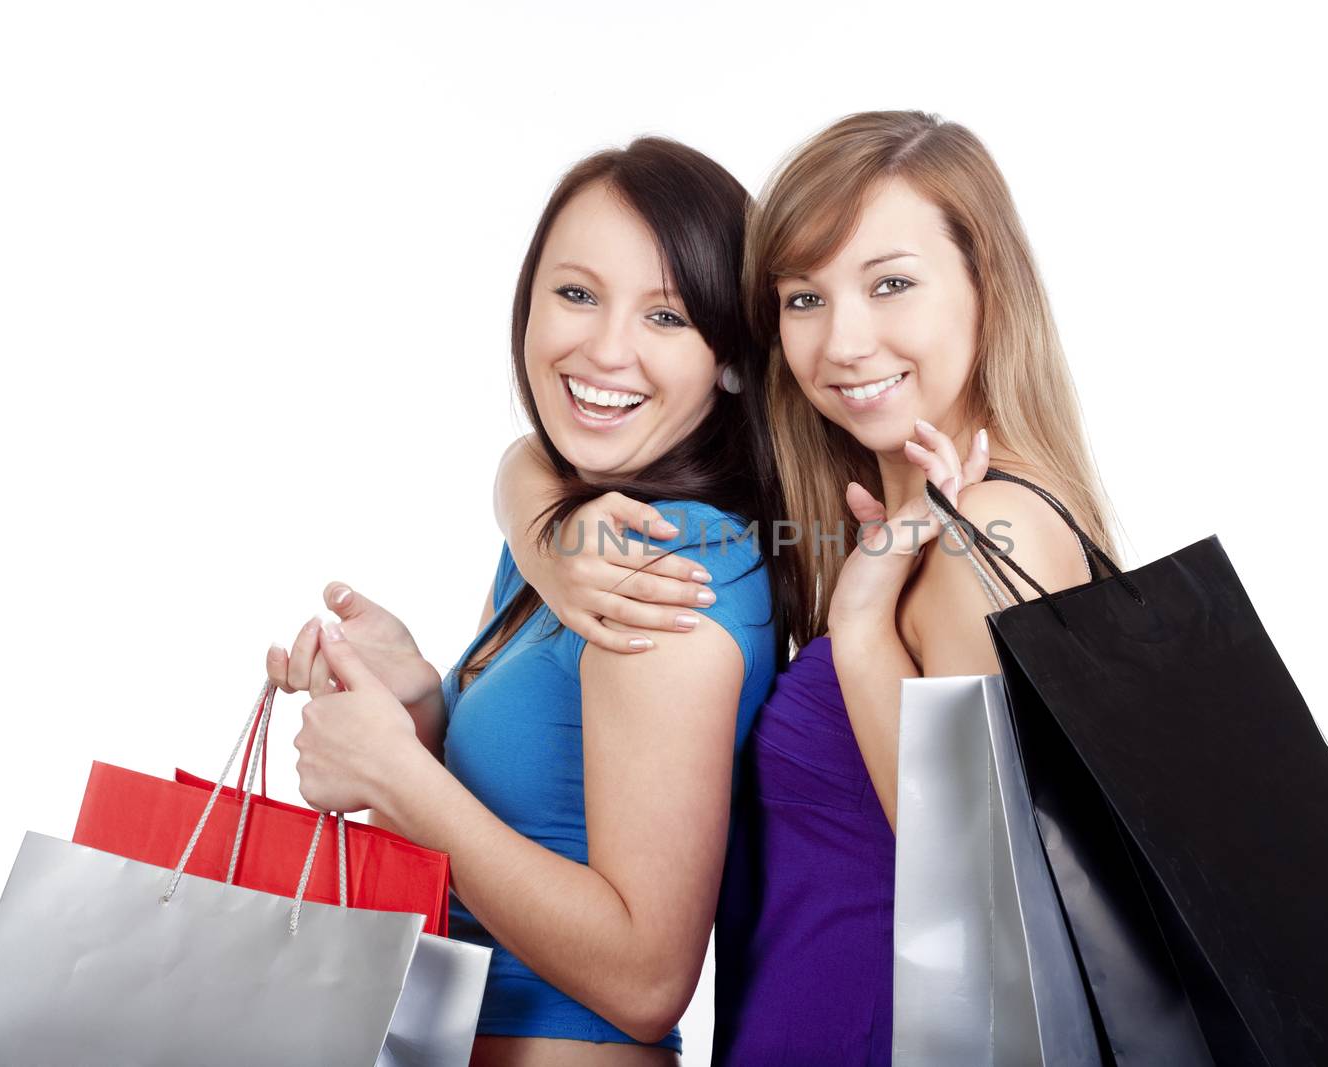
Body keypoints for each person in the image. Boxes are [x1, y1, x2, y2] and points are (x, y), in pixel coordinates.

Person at [499, 110, 1124, 1065]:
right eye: (804, 299)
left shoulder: (991, 537)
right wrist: (535, 518)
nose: (841, 342)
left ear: (986, 287)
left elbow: (1002, 921)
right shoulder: (880, 524)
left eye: (892, 285)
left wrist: (865, 631)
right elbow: (541, 456)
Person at [264, 137, 792, 1065]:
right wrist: (421, 711)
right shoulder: (569, 542)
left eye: (666, 315)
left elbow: (644, 979)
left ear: (731, 360)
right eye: (577, 293)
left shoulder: (659, 574)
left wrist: (400, 778)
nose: (604, 348)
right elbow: (532, 822)